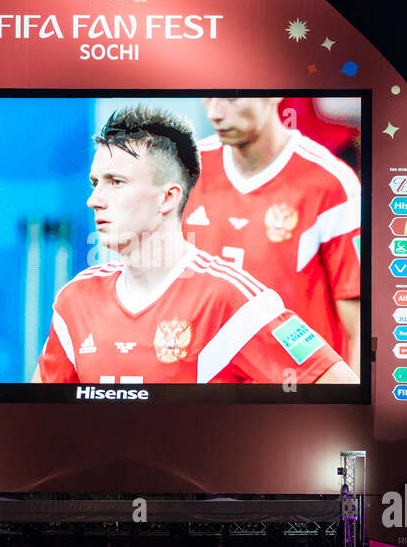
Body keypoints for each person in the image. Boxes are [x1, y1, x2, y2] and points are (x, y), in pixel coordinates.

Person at [32, 106, 357, 385]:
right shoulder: (75, 299)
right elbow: (34, 422)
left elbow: (339, 387)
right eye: (95, 183)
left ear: (168, 197)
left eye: (116, 183)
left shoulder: (233, 299)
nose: (94, 201)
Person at [182, 97, 361, 372]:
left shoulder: (331, 183)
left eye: (231, 98)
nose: (215, 112)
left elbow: (358, 326)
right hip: (206, 393)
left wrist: (349, 409)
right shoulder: (185, 169)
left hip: (295, 395)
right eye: (208, 97)